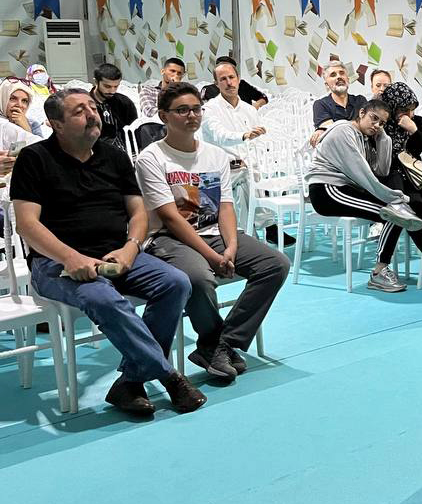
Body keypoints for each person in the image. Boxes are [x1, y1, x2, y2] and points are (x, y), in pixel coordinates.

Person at [10, 88, 206, 416]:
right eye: (79, 112)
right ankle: (169, 377)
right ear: (56, 124)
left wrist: (131, 247)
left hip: (116, 253)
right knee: (103, 297)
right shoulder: (35, 158)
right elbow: (27, 225)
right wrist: (70, 257)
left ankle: (130, 382)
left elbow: (138, 213)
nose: (92, 115)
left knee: (176, 283)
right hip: (56, 263)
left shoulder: (114, 156)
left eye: (92, 108)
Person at [135, 82, 290, 383]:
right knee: (198, 278)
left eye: (196, 109)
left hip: (213, 233)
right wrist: (212, 256)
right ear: (164, 116)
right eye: (182, 110)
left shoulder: (216, 156)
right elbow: (170, 217)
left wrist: (230, 247)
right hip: (169, 238)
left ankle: (222, 343)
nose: (191, 116)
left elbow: (226, 207)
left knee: (275, 264)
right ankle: (212, 341)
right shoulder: (151, 158)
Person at [306, 100, 422, 293]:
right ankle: (379, 273)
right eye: (374, 118)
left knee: (397, 212)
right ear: (362, 113)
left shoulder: (364, 137)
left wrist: (383, 137)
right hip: (326, 190)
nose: (376, 125)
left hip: (344, 189)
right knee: (393, 213)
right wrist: (395, 197)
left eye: (382, 123)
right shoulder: (343, 131)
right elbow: (364, 176)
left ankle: (380, 270)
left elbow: (382, 170)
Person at [200, 59, 291, 246]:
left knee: (252, 177)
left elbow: (257, 143)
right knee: (245, 181)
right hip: (220, 170)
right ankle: (264, 229)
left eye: (231, 77)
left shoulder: (249, 110)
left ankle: (254, 233)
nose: (229, 82)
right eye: (223, 79)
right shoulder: (209, 110)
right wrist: (244, 135)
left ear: (239, 79)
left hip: (246, 168)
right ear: (216, 83)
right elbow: (220, 135)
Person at [375, 81, 422, 277]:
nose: (409, 114)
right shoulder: (380, 123)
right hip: (386, 177)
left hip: (415, 176)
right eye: (403, 110)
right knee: (405, 204)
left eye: (411, 109)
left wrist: (414, 130)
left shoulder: (417, 121)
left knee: (417, 203)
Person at [310, 62, 367, 147]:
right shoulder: (320, 104)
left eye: (342, 73)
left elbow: (367, 126)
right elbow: (333, 133)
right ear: (327, 85)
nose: (339, 77)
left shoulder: (360, 100)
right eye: (333, 75)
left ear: (348, 79)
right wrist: (358, 124)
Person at [90, 63, 138, 151]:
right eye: (107, 86)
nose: (112, 91)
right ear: (96, 82)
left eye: (116, 86)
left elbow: (134, 131)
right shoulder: (86, 105)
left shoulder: (124, 102)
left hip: (125, 152)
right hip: (97, 153)